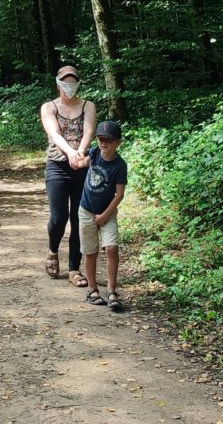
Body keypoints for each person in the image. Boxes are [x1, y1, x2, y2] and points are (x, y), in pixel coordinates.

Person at [38, 65, 96, 287]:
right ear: (58, 83)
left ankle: (74, 268)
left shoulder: (88, 105)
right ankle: (52, 251)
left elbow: (89, 130)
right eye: (65, 83)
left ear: (78, 84)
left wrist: (81, 152)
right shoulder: (49, 107)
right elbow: (54, 133)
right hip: (57, 166)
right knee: (58, 217)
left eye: (73, 83)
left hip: (83, 167)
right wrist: (70, 152)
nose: (68, 87)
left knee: (79, 218)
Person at [79, 120, 127, 311]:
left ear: (117, 143)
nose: (103, 143)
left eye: (108, 140)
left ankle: (112, 291)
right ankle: (92, 290)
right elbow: (83, 161)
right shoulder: (94, 153)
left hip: (108, 213)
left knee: (111, 249)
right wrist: (77, 161)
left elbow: (120, 194)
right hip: (86, 210)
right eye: (100, 139)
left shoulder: (119, 165)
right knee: (90, 251)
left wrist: (105, 215)